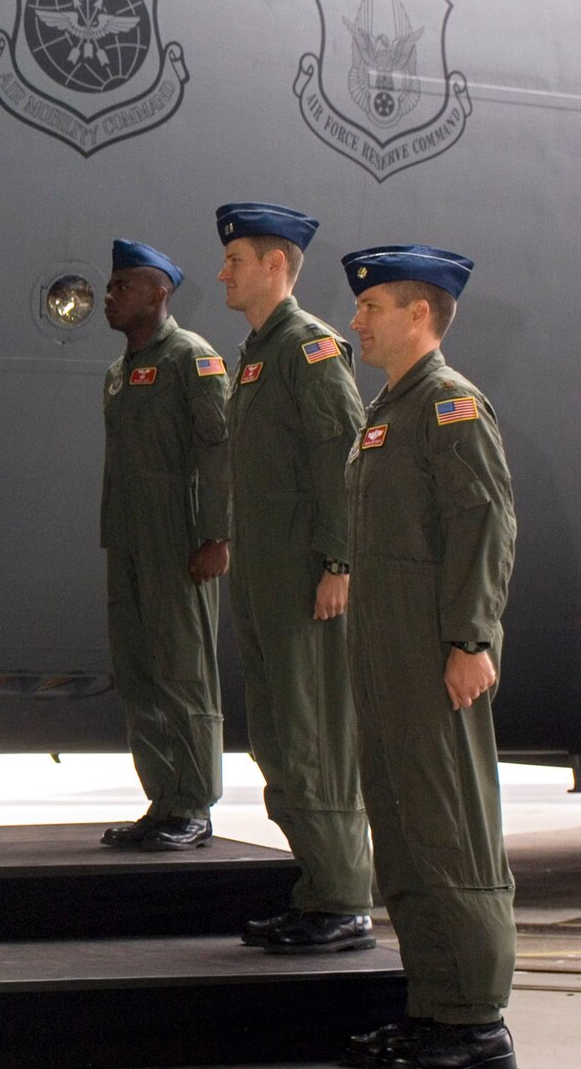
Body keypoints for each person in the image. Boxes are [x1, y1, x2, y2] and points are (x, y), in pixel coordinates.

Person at [339, 246, 518, 1069]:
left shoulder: (450, 406)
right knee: (404, 828)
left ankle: (475, 1021)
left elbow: (485, 527)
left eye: (371, 307)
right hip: (387, 659)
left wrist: (471, 639)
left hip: (434, 656)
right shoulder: (390, 411)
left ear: (420, 315)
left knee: (450, 832)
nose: (356, 320)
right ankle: (434, 1006)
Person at [214, 202, 373, 954]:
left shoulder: (307, 348)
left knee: (311, 737)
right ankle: (318, 889)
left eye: (236, 259)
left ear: (276, 266)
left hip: (306, 578)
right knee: (278, 739)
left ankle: (343, 898)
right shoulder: (259, 352)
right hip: (265, 577)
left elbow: (342, 456)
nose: (224, 272)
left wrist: (339, 561)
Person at [98, 240, 231, 853]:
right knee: (139, 675)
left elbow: (218, 450)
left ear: (160, 293)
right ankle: (163, 798)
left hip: (178, 538)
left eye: (124, 285)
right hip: (127, 540)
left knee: (184, 674)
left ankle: (195, 803)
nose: (110, 295)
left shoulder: (192, 359)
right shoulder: (119, 371)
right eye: (112, 285)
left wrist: (217, 534)